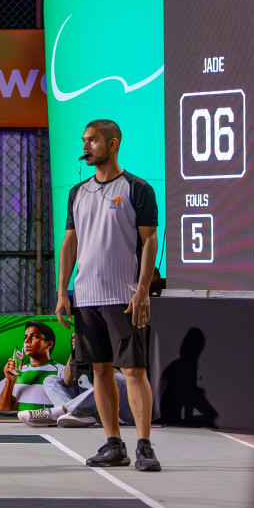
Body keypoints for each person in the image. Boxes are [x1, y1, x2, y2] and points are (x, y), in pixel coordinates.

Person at [55, 118, 161, 472]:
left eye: (93, 141)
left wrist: (142, 291)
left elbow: (149, 242)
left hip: (124, 296)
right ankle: (114, 444)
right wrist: (62, 292)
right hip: (86, 298)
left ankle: (144, 446)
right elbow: (70, 244)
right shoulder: (77, 193)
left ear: (113, 144)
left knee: (133, 370)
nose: (85, 146)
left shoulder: (138, 188)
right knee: (99, 371)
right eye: (84, 140)